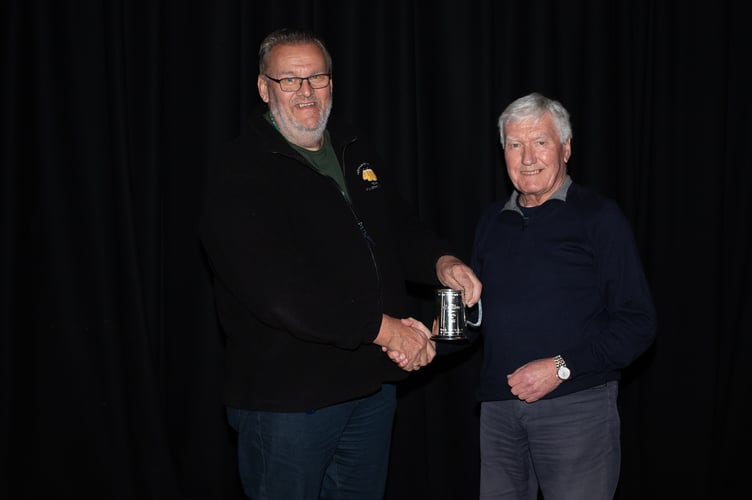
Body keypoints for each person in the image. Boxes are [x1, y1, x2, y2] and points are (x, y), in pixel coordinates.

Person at [198, 28, 481, 500]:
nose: (306, 92)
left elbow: (398, 224)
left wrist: (441, 260)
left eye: (317, 77)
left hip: (369, 391)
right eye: (290, 80)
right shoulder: (239, 173)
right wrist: (386, 330)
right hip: (289, 405)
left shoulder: (353, 147)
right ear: (264, 88)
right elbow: (280, 293)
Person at [469, 92, 656, 499]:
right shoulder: (491, 221)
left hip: (577, 405)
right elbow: (476, 317)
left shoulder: (598, 217)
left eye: (540, 142)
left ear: (566, 148)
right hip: (499, 410)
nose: (527, 156)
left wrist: (560, 367)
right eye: (515, 144)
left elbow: (638, 323)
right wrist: (427, 338)